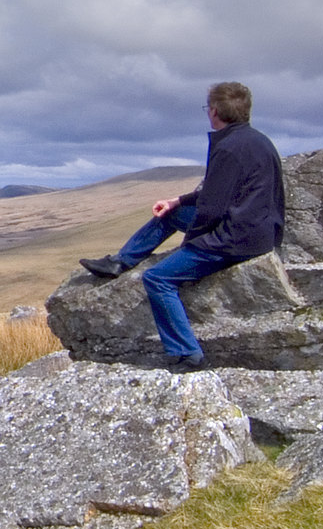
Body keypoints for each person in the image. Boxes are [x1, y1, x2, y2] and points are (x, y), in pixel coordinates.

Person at [78, 81, 285, 371]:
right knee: (170, 215)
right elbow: (217, 191)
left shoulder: (228, 148)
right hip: (257, 229)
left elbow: (211, 210)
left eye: (207, 107)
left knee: (157, 279)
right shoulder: (259, 140)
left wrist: (192, 245)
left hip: (236, 238)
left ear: (213, 111)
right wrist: (178, 201)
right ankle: (120, 262)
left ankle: (188, 354)